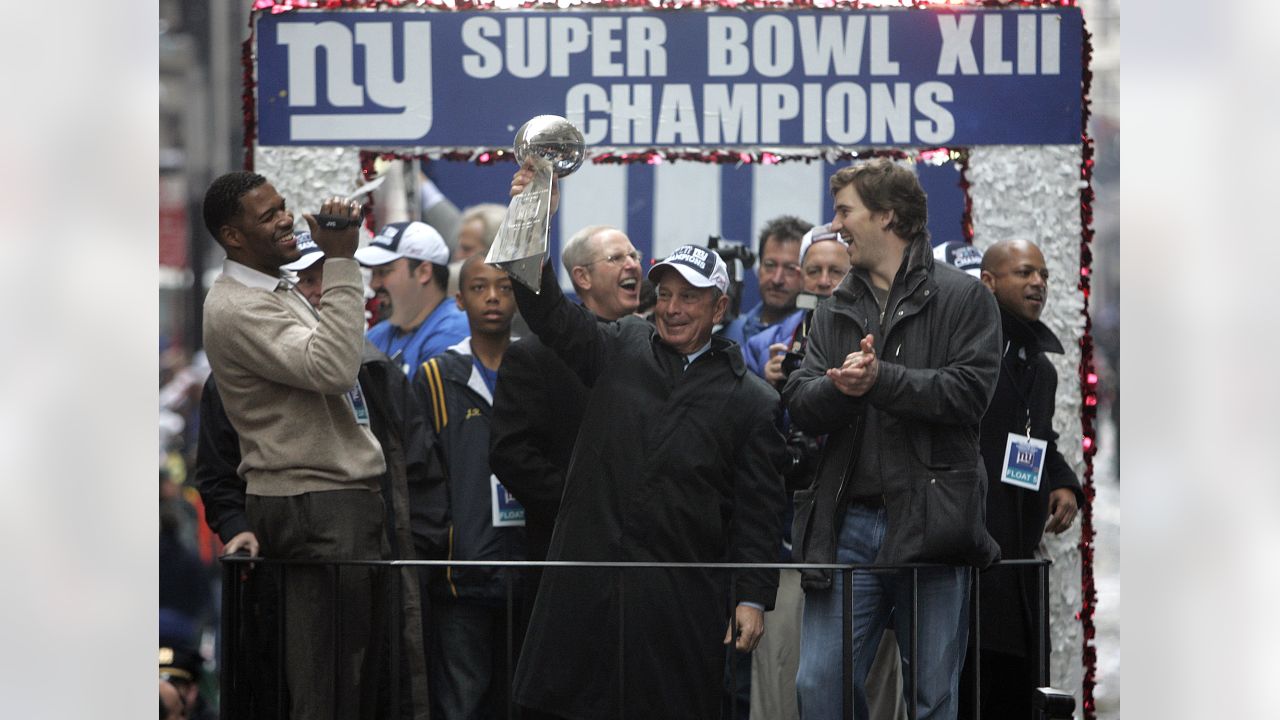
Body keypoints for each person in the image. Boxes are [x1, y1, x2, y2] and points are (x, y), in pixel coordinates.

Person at [506, 159, 787, 720]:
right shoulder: (621, 344)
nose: (674, 308)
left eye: (691, 297)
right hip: (585, 582)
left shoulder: (753, 401)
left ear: (720, 308)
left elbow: (759, 512)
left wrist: (753, 597)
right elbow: (543, 307)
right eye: (666, 294)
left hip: (675, 599)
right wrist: (530, 215)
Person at [784, 159, 1001, 720]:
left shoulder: (964, 298)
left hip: (933, 525)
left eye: (845, 211)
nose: (835, 226)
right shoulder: (834, 310)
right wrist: (842, 389)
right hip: (847, 525)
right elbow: (802, 403)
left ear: (887, 215)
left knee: (932, 700)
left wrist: (882, 380)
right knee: (818, 690)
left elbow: (969, 394)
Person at [198, 230, 446, 719]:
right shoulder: (238, 371)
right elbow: (218, 472)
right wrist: (237, 527)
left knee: (365, 690)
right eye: (305, 281)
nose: (318, 291)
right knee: (298, 689)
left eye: (327, 278)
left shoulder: (377, 371)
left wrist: (415, 554)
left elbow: (419, 477)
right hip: (277, 566)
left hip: (377, 562)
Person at [200, 171, 386, 720]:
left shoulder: (274, 289)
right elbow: (331, 366)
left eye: (282, 206)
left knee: (349, 678)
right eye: (267, 215)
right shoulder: (235, 306)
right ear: (233, 237)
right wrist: (343, 262)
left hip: (330, 501)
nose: (285, 219)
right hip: (315, 504)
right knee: (326, 684)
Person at [957, 239, 1083, 720]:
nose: (1038, 284)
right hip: (966, 556)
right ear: (987, 282)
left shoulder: (1040, 367)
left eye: (1044, 275)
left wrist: (1064, 481)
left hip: (1018, 561)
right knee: (970, 688)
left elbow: (1038, 438)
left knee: (1018, 686)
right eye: (1024, 273)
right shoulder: (967, 354)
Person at [489, 224, 643, 600]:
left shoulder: (653, 349)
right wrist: (581, 506)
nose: (632, 265)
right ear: (582, 277)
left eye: (634, 255)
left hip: (644, 554)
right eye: (616, 257)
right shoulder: (533, 356)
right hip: (566, 553)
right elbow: (511, 454)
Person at [739, 222, 850, 720]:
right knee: (782, 677)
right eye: (816, 271)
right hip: (787, 533)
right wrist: (767, 388)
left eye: (836, 271)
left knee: (854, 680)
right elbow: (744, 438)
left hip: (857, 532)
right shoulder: (768, 344)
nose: (824, 281)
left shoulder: (878, 338)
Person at [413, 256, 526, 720]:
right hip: (463, 574)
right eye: (480, 288)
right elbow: (422, 476)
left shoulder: (537, 368)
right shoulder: (437, 377)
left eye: (504, 287)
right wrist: (440, 550)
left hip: (529, 569)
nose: (494, 297)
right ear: (459, 299)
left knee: (525, 700)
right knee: (462, 702)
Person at [358, 220, 470, 378]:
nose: (373, 284)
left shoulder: (453, 332)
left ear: (424, 272)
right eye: (373, 273)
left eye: (384, 272)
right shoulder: (377, 335)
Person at [720, 216, 811, 345]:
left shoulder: (811, 339)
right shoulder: (728, 334)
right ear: (759, 266)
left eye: (790, 268)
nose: (777, 279)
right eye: (770, 265)